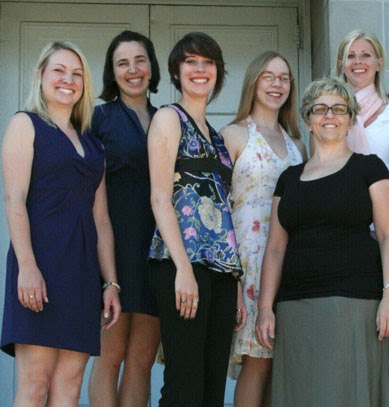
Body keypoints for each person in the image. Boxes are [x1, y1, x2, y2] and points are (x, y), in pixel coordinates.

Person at [256, 77, 389, 407]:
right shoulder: (288, 178)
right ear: (308, 120)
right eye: (320, 109)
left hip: (355, 304)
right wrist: (265, 309)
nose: (329, 116)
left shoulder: (370, 168)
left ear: (351, 120)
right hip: (294, 308)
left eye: (339, 109)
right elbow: (275, 249)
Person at [0, 41, 120, 407]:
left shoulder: (93, 145)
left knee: (69, 388)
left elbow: (102, 220)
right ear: (40, 75)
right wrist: (27, 268)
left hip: (81, 274)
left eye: (77, 74)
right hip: (39, 265)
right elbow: (14, 200)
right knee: (35, 385)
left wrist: (111, 283)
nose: (68, 80)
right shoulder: (26, 124)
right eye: (59, 70)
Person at [147, 32, 244, 406]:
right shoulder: (169, 119)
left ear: (218, 72)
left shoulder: (218, 138)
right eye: (191, 62)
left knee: (213, 386)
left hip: (221, 269)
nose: (200, 69)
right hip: (181, 264)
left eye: (208, 62)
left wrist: (235, 280)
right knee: (184, 384)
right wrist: (183, 269)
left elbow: (223, 208)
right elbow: (159, 197)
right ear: (176, 71)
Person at [335, 29, 389, 407]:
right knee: (350, 353)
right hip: (344, 247)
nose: (358, 62)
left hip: (388, 245)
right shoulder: (330, 116)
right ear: (341, 64)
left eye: (366, 55)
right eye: (351, 55)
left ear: (379, 62)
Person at [221, 51, 306, 407]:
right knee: (256, 361)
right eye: (268, 76)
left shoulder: (297, 145)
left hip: (289, 261)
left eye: (284, 78)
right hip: (247, 261)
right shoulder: (233, 135)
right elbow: (219, 210)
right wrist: (233, 279)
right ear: (253, 82)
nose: (277, 84)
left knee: (280, 365)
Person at [87, 31, 160, 407]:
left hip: (157, 251)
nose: (133, 70)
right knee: (110, 356)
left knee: (141, 361)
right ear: (111, 72)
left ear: (152, 66)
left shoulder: (168, 118)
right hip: (113, 249)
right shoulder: (98, 118)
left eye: (140, 60)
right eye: (122, 63)